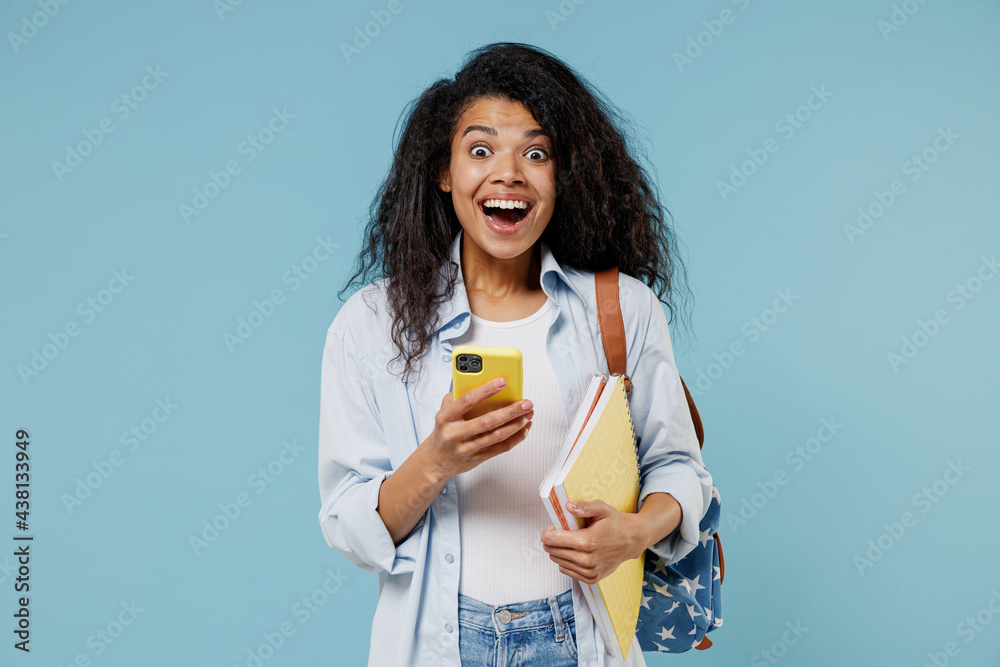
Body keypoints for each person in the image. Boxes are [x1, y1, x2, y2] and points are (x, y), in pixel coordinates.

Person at [318, 42, 715, 667]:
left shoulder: (622, 310)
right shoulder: (371, 324)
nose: (508, 173)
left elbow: (678, 469)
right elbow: (349, 525)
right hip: (438, 646)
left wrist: (633, 534)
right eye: (481, 150)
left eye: (537, 153)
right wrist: (436, 461)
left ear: (563, 176)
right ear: (444, 173)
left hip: (580, 642)